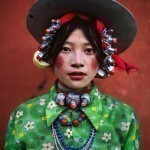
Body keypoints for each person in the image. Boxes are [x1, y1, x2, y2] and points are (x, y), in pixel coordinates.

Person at [4, 0, 141, 149]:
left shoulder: (123, 117)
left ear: (102, 58)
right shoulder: (24, 116)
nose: (77, 61)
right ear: (50, 55)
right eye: (66, 49)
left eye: (89, 50)